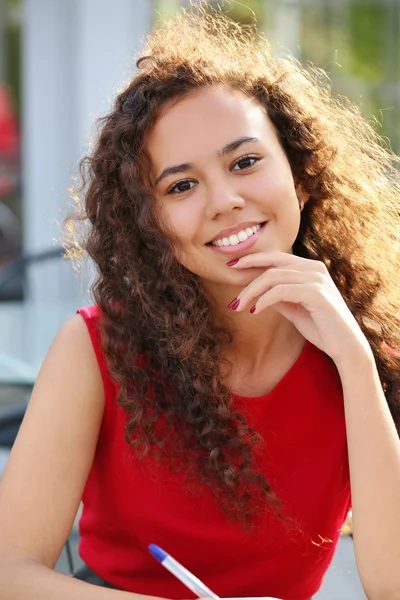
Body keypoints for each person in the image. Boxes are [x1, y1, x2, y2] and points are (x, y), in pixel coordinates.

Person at [0, 5, 399, 600]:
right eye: (181, 185)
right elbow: (10, 571)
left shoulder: (365, 351)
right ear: (150, 224)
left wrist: (356, 363)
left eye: (245, 162)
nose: (226, 200)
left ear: (302, 177)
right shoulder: (94, 349)